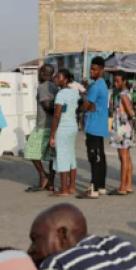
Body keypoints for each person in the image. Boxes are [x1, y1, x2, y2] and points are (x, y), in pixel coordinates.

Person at [79, 56, 109, 199]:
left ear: (101, 70)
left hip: (93, 125)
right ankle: (101, 186)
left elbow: (86, 105)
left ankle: (94, 189)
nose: (91, 71)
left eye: (94, 69)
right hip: (100, 125)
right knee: (100, 157)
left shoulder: (96, 86)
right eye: (91, 68)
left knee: (94, 157)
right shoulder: (102, 84)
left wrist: (82, 106)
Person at [25, 65, 57, 192]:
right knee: (50, 156)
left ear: (43, 73)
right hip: (53, 125)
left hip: (43, 125)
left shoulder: (43, 87)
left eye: (39, 72)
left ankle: (43, 176)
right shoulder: (55, 87)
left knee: (30, 150)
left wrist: (54, 110)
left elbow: (47, 106)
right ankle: (51, 183)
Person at [49, 68, 80, 197]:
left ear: (65, 80)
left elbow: (57, 116)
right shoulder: (74, 93)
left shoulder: (60, 94)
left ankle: (64, 189)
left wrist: (52, 135)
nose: (56, 79)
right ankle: (72, 186)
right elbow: (78, 107)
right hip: (73, 126)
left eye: (59, 77)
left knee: (61, 156)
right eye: (56, 77)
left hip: (62, 128)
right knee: (71, 156)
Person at [110, 72, 135, 195]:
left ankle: (123, 186)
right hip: (126, 127)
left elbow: (130, 113)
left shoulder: (122, 95)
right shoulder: (127, 94)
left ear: (124, 81)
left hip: (121, 127)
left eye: (118, 81)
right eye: (114, 81)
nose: (116, 83)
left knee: (123, 157)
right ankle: (128, 184)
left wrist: (124, 115)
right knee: (127, 157)